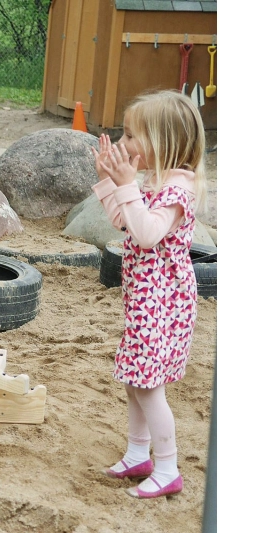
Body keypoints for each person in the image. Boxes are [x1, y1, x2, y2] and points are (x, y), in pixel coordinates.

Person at [90, 90, 207, 499]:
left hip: (162, 304)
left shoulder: (177, 192)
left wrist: (125, 184)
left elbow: (147, 232)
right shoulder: (157, 182)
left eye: (133, 136)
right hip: (145, 299)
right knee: (135, 380)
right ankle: (139, 453)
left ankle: (168, 466)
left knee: (149, 386)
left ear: (164, 141)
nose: (124, 144)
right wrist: (110, 180)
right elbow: (126, 221)